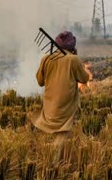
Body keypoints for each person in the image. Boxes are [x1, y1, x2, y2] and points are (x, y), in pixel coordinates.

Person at [29, 31, 89, 162]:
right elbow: (84, 78)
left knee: (56, 130)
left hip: (50, 102)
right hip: (66, 103)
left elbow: (40, 81)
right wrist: (76, 59)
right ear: (72, 45)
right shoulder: (73, 59)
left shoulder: (46, 58)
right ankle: (53, 162)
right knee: (63, 132)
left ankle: (57, 159)